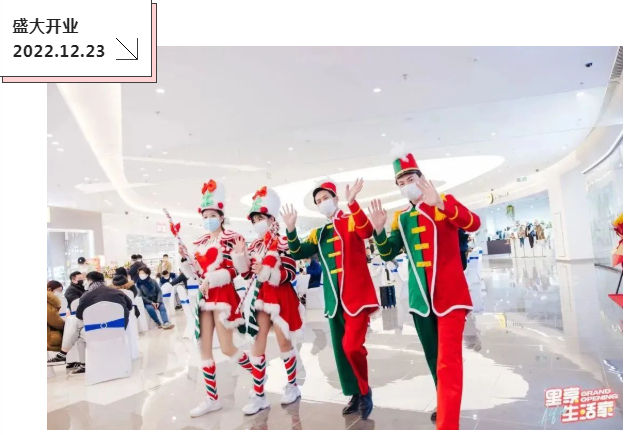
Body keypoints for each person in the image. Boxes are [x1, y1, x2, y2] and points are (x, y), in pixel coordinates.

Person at [368, 145, 481, 430]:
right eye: (401, 182)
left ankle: (447, 425)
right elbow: (388, 252)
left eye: (411, 179)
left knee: (448, 361)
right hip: (420, 299)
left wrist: (442, 204)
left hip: (450, 296)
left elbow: (474, 223)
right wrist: (379, 230)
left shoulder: (444, 202)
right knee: (434, 358)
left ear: (421, 178)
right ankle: (444, 402)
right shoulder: (402, 217)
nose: (407, 185)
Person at [282, 178, 378, 420]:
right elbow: (298, 252)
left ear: (336, 198)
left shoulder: (352, 221)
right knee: (341, 351)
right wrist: (291, 229)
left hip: (357, 298)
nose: (322, 202)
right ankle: (354, 393)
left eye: (325, 198)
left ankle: (365, 390)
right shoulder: (320, 233)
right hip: (334, 301)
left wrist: (353, 203)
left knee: (352, 347)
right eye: (318, 201)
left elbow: (367, 231)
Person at [179, 178, 255, 418]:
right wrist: (185, 259)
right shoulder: (200, 242)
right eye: (205, 215)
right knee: (203, 347)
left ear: (221, 216)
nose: (208, 219)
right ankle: (212, 399)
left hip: (223, 296)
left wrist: (213, 278)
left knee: (227, 347)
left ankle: (258, 375)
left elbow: (235, 271)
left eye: (212, 215)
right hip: (205, 298)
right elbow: (197, 273)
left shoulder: (232, 238)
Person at [232, 186, 304, 414]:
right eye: (254, 220)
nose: (257, 223)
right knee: (257, 344)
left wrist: (268, 272)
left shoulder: (283, 243)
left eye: (261, 218)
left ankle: (292, 385)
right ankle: (259, 394)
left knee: (284, 343)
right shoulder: (254, 246)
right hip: (259, 298)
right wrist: (240, 257)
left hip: (281, 297)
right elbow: (247, 275)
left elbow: (291, 273)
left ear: (272, 219)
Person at [47, 272, 134, 375]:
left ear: (89, 281)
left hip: (98, 332)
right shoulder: (118, 292)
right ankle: (64, 355)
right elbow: (129, 306)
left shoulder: (87, 296)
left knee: (77, 329)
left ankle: (68, 357)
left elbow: (79, 315)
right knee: (77, 327)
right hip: (119, 329)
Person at [47, 281, 65, 354]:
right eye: (58, 290)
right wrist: (64, 324)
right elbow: (54, 320)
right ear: (49, 289)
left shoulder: (51, 301)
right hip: (50, 335)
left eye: (61, 291)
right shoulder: (48, 302)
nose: (59, 293)